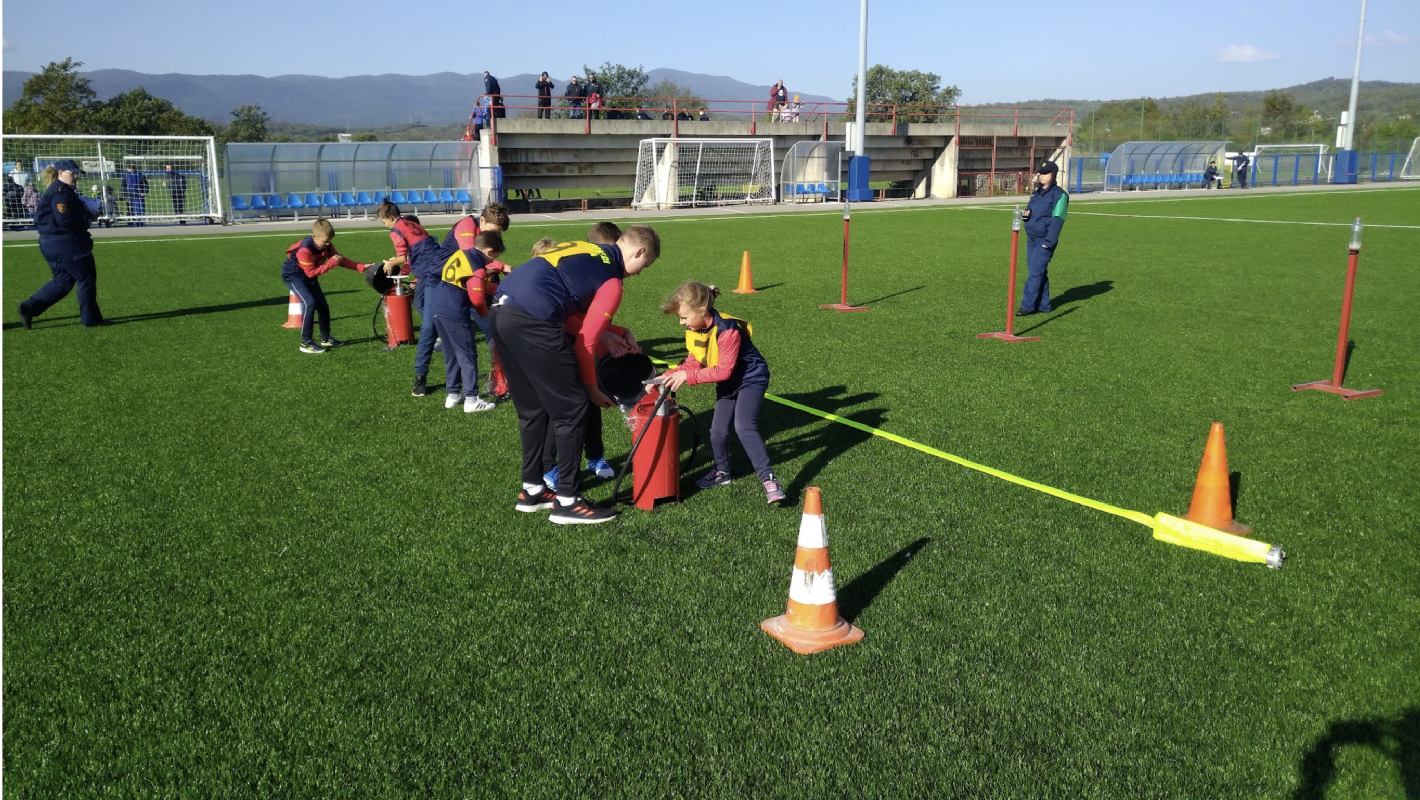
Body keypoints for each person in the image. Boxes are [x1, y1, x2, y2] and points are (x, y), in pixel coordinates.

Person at [491, 225, 660, 524]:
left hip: (502, 311)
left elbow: (569, 314)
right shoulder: (612, 279)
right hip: (534, 322)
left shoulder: (585, 249)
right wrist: (592, 390)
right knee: (573, 409)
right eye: (644, 266)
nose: (639, 273)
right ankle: (567, 501)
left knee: (534, 410)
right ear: (639, 251)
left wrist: (614, 332)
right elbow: (585, 344)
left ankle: (532, 490)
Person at [659, 281, 785, 504]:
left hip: (751, 379)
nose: (681, 323)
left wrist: (687, 377)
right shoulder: (695, 329)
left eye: (684, 317)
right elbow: (693, 361)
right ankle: (722, 473)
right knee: (717, 431)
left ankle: (769, 480)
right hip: (728, 382)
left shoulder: (728, 330)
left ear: (701, 310)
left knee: (743, 425)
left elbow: (724, 371)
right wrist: (668, 376)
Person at [541, 221, 627, 491]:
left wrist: (619, 332)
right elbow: (570, 321)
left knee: (592, 407)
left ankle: (595, 456)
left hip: (586, 349)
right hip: (561, 348)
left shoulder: (601, 275)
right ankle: (551, 467)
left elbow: (594, 322)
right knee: (564, 411)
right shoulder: (581, 270)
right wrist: (600, 336)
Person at [18, 160, 106, 329]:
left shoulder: (63, 190)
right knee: (85, 276)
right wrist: (88, 217)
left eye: (77, 173)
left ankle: (28, 307)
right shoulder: (61, 192)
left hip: (52, 243)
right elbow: (64, 220)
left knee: (63, 282)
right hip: (65, 243)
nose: (76, 176)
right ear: (60, 173)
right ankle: (91, 319)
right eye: (72, 173)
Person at [425, 230, 502, 412]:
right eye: (493, 258)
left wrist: (501, 289)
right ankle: (472, 399)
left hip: (437, 304)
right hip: (454, 308)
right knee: (467, 352)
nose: (492, 262)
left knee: (451, 352)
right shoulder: (478, 265)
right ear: (489, 251)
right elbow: (477, 298)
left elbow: (476, 283)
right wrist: (485, 313)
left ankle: (452, 394)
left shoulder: (462, 253)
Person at [281, 218, 382, 353]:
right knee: (309, 303)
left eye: (329, 241)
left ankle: (326, 338)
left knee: (322, 305)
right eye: (324, 241)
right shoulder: (304, 250)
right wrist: (330, 264)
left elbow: (339, 259)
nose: (327, 244)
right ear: (314, 236)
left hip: (308, 275)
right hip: (294, 276)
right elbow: (311, 273)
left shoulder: (327, 245)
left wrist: (361, 267)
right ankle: (306, 343)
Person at [1016, 159, 1068, 317]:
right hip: (1031, 238)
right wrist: (1025, 216)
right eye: (1040, 173)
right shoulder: (1036, 194)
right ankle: (1044, 305)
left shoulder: (1060, 195)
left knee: (1034, 274)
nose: (1041, 176)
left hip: (1044, 240)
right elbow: (1030, 212)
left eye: (1045, 173)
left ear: (1053, 175)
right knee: (1038, 271)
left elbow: (1058, 220)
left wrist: (1048, 243)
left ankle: (1027, 306)